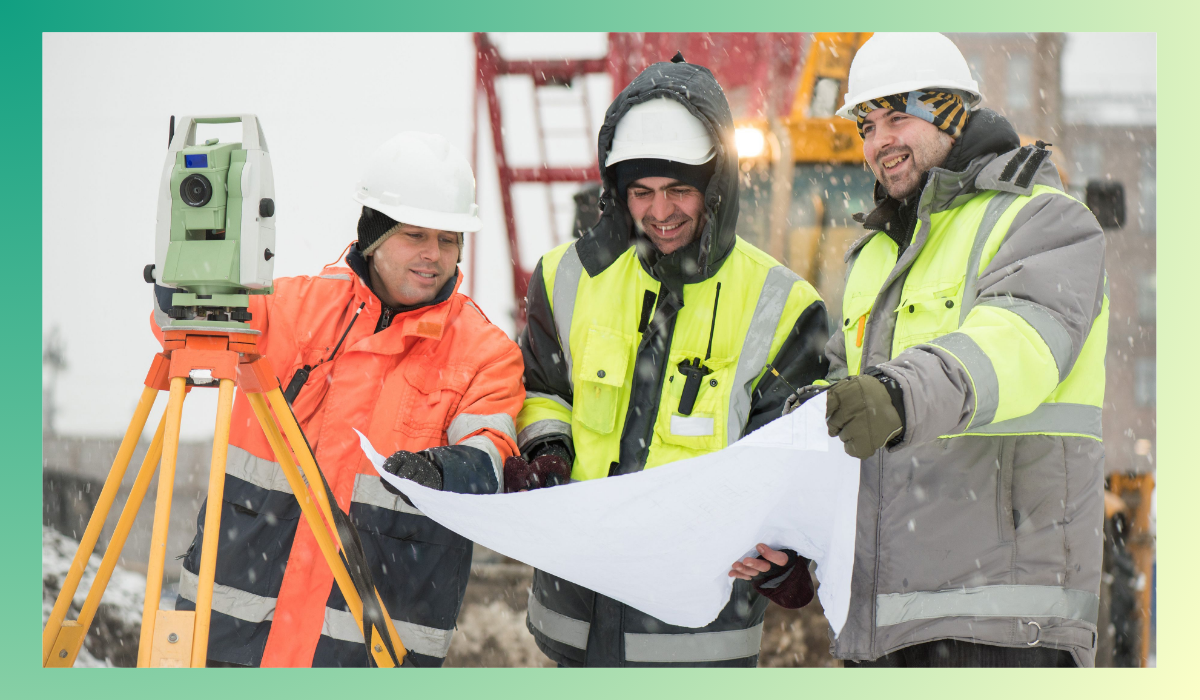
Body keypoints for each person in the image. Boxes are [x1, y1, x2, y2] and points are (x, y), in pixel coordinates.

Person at [737, 32, 1109, 667]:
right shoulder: (871, 259)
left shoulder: (1043, 220)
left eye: (898, 116)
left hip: (1001, 630)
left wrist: (895, 393)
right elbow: (841, 429)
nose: (880, 142)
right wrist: (795, 548)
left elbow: (1012, 346)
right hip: (882, 634)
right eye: (867, 125)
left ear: (954, 111)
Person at [153, 132, 524, 667]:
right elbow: (188, 330)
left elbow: (492, 450)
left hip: (366, 654)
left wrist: (447, 471)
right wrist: (187, 282)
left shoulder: (486, 351)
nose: (433, 255)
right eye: (414, 235)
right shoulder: (291, 308)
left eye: (448, 239)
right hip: (230, 643)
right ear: (373, 235)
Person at [508, 54, 831, 667]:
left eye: (679, 189)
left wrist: (787, 558)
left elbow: (796, 468)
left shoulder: (785, 307)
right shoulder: (564, 278)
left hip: (697, 643)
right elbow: (544, 390)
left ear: (716, 185)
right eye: (643, 193)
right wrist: (548, 453)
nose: (661, 213)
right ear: (617, 193)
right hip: (573, 628)